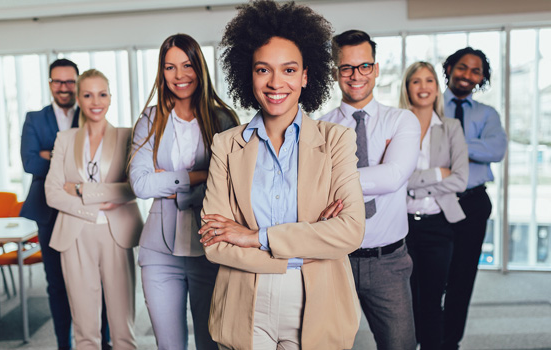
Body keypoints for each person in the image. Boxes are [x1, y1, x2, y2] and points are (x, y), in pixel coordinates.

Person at [197, 1, 365, 349]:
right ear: (250, 74)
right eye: (263, 70)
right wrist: (312, 239)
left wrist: (255, 237)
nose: (276, 82)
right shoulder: (226, 145)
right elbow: (215, 243)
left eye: (289, 70)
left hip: (316, 301)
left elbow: (350, 231)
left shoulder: (336, 140)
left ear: (306, 76)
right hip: (244, 302)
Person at [129, 34, 239, 350]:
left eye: (187, 65)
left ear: (199, 68)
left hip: (211, 250)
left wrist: (173, 185)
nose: (179, 76)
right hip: (158, 254)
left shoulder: (223, 119)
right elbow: (141, 184)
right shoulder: (150, 120)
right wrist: (199, 176)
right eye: (170, 67)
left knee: (212, 344)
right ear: (161, 73)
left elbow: (231, 182)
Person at [320, 29, 421, 349]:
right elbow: (312, 188)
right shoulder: (321, 127)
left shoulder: (402, 121)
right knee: (325, 343)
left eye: (364, 66)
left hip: (388, 262)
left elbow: (393, 177)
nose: (355, 75)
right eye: (346, 67)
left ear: (376, 69)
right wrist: (375, 172)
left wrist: (336, 176)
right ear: (336, 73)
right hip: (334, 260)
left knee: (401, 345)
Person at [45, 69, 143, 350]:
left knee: (123, 325)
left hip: (116, 234)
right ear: (78, 98)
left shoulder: (127, 135)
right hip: (75, 235)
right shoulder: (65, 138)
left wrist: (83, 191)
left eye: (102, 94)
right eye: (87, 95)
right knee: (85, 327)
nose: (95, 101)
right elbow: (52, 193)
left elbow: (134, 187)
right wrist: (94, 208)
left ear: (110, 98)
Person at [20, 59, 111, 350]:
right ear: (49, 84)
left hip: (86, 210)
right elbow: (30, 161)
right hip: (48, 213)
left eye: (70, 82)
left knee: (100, 282)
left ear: (78, 84)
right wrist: (64, 166)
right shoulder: (35, 118)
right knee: (57, 284)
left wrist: (55, 157)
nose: (64, 87)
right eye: (57, 82)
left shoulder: (90, 110)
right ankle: (64, 344)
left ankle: (105, 340)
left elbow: (98, 158)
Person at [399, 61, 468, 349]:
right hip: (400, 227)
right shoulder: (396, 126)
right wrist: (438, 173)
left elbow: (461, 180)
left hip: (439, 225)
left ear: (438, 89)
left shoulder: (451, 127)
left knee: (431, 301)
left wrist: (411, 182)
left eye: (429, 81)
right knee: (404, 304)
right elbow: (393, 179)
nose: (423, 87)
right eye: (416, 81)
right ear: (407, 88)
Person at [441, 47, 507, 350]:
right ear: (450, 68)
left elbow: (496, 151)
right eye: (463, 67)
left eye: (476, 71)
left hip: (473, 202)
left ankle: (450, 342)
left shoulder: (487, 114)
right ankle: (426, 336)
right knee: (427, 275)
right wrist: (472, 145)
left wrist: (450, 142)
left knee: (462, 277)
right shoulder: (427, 105)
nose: (468, 75)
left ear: (482, 78)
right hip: (431, 203)